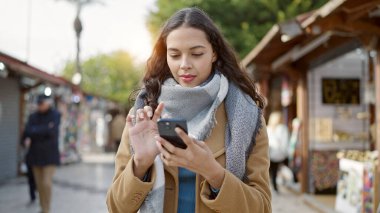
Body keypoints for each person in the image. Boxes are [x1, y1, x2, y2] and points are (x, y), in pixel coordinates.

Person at [106, 7, 271, 213]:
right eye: (174, 55)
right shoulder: (143, 114)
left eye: (196, 54)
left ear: (214, 53)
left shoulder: (246, 116)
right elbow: (116, 208)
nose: (184, 65)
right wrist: (141, 163)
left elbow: (262, 208)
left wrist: (212, 172)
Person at [23, 94, 61, 213]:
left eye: (42, 103)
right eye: (38, 104)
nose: (40, 106)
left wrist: (36, 131)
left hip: (50, 156)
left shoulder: (55, 115)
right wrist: (44, 129)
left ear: (48, 103)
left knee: (46, 183)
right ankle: (42, 207)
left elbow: (52, 131)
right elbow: (28, 131)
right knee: (39, 185)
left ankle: (46, 209)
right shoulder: (33, 116)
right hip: (35, 156)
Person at [267, 111, 289, 193]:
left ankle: (274, 186)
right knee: (282, 169)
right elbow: (285, 142)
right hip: (280, 154)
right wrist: (286, 153)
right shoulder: (283, 128)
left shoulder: (267, 128)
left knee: (273, 171)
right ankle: (280, 184)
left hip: (270, 153)